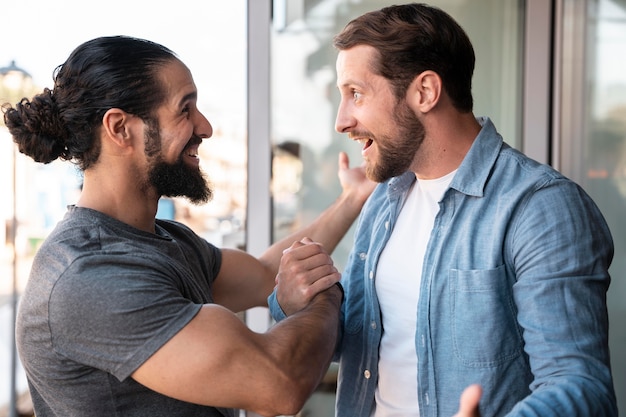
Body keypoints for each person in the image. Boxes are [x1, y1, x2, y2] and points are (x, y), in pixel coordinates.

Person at [268, 3, 617, 416]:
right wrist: (295, 301)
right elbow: (368, 339)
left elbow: (581, 386)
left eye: (356, 94)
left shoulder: (541, 208)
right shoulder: (386, 198)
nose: (341, 121)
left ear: (425, 92)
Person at [2, 35, 375, 417]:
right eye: (185, 109)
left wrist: (352, 199)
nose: (206, 127)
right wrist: (328, 292)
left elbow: (267, 274)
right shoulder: (88, 275)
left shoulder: (165, 240)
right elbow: (277, 382)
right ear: (120, 128)